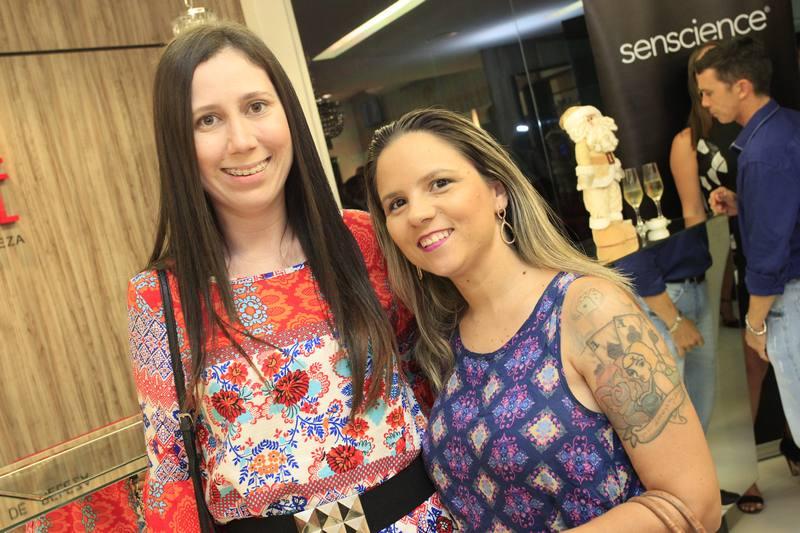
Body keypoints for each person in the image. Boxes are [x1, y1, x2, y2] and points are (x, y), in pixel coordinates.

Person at [127, 22, 451, 531]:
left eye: (256, 106)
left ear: (288, 114)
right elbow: (171, 472)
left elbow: (434, 382)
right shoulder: (159, 297)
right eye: (208, 120)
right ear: (177, 144)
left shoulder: (364, 239)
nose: (242, 140)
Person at [364, 108, 720, 531]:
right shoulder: (438, 341)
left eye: (440, 183)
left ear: (497, 191)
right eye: (397, 203)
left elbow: (694, 502)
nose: (418, 213)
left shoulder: (589, 310)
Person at [699, 36, 800, 478]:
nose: (704, 103)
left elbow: (769, 255)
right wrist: (746, 204)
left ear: (741, 87)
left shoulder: (762, 154)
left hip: (791, 300)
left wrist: (756, 325)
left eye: (709, 92)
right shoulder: (789, 126)